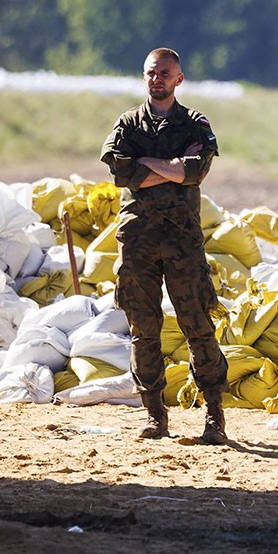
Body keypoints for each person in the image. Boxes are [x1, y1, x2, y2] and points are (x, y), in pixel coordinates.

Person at [100, 47, 230, 444]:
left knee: (198, 326)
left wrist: (148, 164)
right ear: (144, 77)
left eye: (165, 73)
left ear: (179, 78)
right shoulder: (128, 123)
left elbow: (195, 172)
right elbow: (120, 169)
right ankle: (155, 415)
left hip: (182, 241)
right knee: (144, 329)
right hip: (138, 239)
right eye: (151, 73)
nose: (157, 79)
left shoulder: (193, 123)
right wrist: (170, 165)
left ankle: (213, 416)